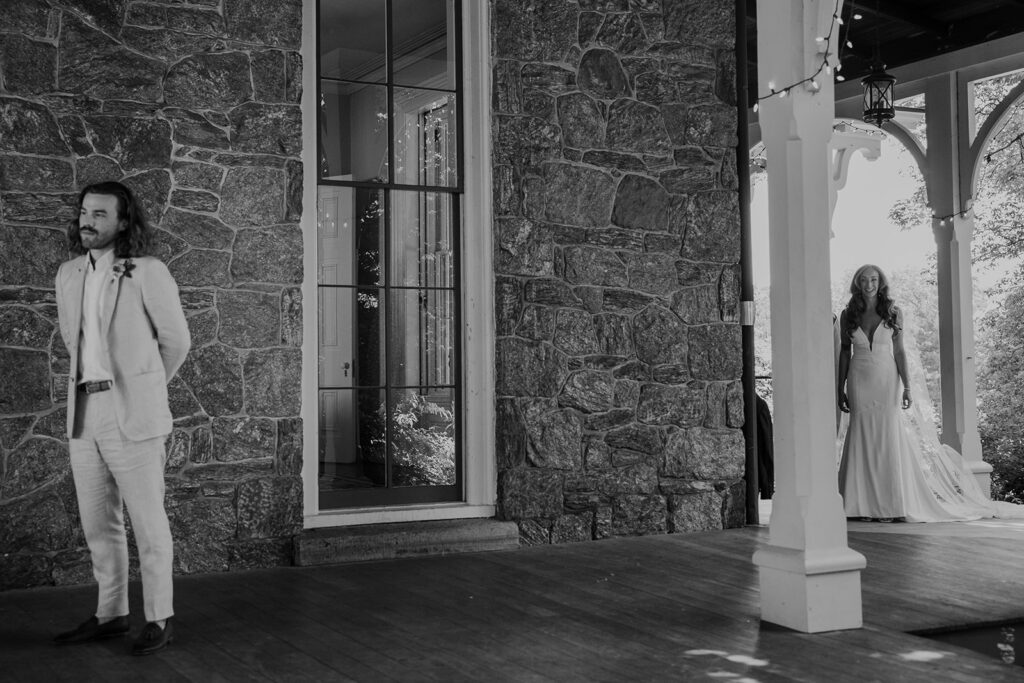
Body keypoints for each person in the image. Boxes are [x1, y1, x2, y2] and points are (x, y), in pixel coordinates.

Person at [52, 181, 190, 655]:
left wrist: (146, 388)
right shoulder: (68, 274)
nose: (88, 221)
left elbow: (177, 343)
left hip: (132, 413)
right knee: (98, 524)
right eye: (85, 212)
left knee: (148, 524)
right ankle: (111, 614)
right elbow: (75, 344)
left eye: (100, 214)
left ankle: (159, 617)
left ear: (124, 221)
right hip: (84, 412)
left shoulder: (147, 272)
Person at [836, 264, 1023, 523]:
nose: (869, 284)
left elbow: (899, 351)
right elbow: (845, 351)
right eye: (864, 280)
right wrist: (839, 387)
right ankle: (860, 504)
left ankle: (888, 506)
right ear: (857, 283)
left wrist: (908, 386)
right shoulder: (848, 314)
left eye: (874, 279)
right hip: (858, 377)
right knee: (861, 433)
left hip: (886, 378)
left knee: (886, 435)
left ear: (881, 282)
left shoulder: (892, 311)